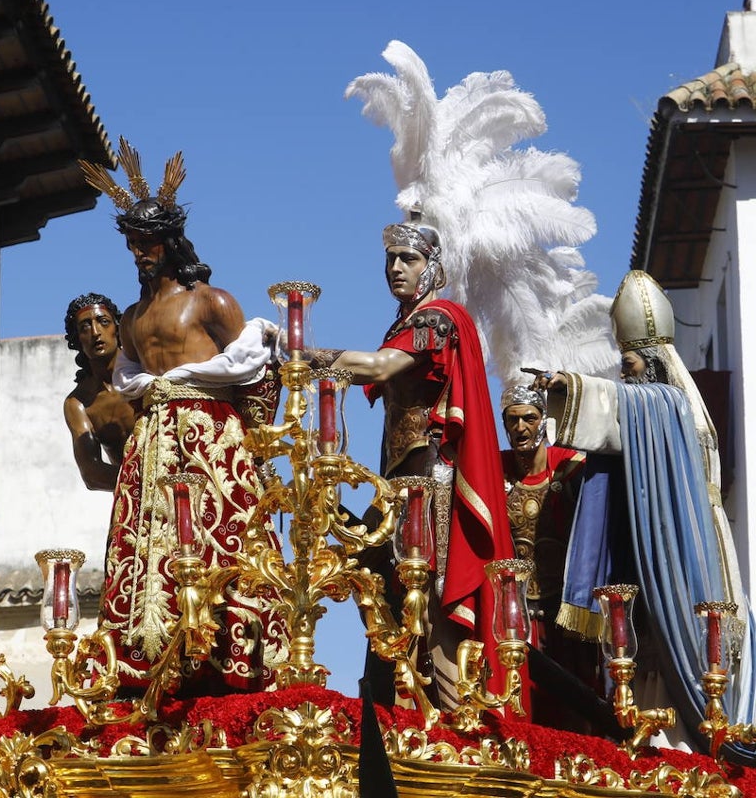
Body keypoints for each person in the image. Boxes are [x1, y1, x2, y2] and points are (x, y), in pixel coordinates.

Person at [79, 139, 285, 695]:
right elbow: (123, 378)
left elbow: (254, 367)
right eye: (132, 244)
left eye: (147, 243)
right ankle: (143, 659)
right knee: (148, 551)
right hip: (151, 443)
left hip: (210, 439)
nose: (140, 254)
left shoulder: (211, 301)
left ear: (170, 243)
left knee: (221, 548)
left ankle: (229, 653)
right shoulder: (130, 318)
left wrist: (260, 450)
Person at [530, 270, 755, 755]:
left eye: (629, 364)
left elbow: (621, 411)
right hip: (665, 540)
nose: (625, 374)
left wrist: (566, 386)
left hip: (686, 547)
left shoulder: (672, 406)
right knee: (653, 663)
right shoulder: (664, 407)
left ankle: (687, 747)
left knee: (690, 659)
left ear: (651, 363)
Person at [316, 210, 515, 710]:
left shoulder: (438, 318)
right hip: (398, 480)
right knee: (395, 597)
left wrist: (301, 353)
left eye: (409, 258)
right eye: (390, 260)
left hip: (430, 478)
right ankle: (404, 709)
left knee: (434, 597)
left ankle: (452, 717)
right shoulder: (404, 324)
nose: (396, 268)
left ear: (434, 266)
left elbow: (380, 367)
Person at [498, 384, 600, 731]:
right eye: (512, 420)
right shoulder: (494, 470)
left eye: (529, 418)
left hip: (566, 614)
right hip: (516, 613)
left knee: (576, 706)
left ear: (544, 422)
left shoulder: (570, 468)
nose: (520, 428)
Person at [62, 293, 136, 491]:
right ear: (77, 340)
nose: (95, 332)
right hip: (131, 504)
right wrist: (145, 481)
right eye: (85, 326)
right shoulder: (78, 403)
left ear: (117, 329)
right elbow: (91, 474)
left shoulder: (146, 372)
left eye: (103, 322)